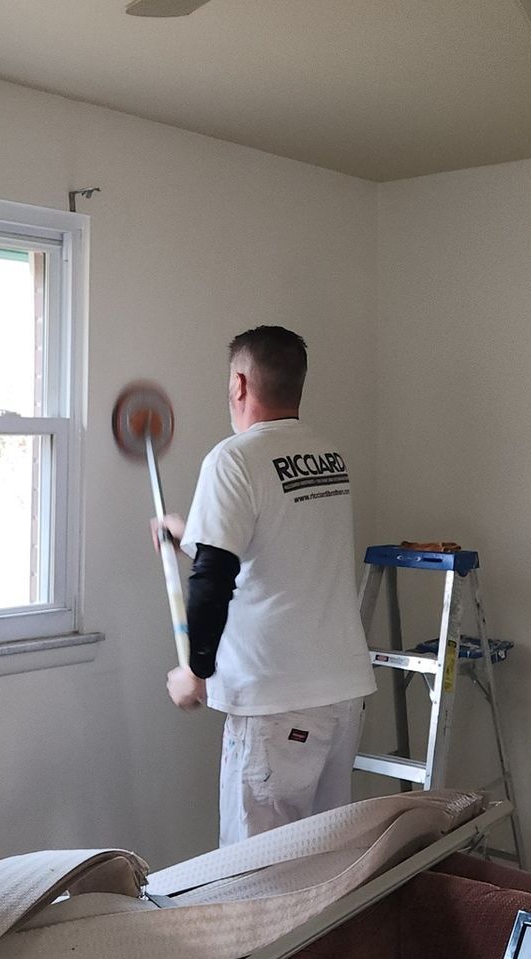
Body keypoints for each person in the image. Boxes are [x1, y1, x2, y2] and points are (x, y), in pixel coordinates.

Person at [153, 325, 374, 846]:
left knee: (255, 875)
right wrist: (190, 534)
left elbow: (213, 579)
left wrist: (195, 669)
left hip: (276, 702)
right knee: (322, 864)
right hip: (340, 695)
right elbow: (278, 550)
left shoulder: (233, 458)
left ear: (239, 384)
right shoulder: (328, 458)